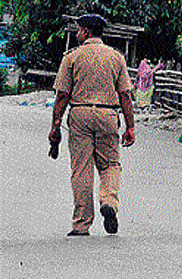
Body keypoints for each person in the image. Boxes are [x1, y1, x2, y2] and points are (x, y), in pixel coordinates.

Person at [49, 14, 135, 237]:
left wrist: (55, 126)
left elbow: (61, 97)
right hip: (108, 114)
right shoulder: (116, 58)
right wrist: (130, 126)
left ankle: (81, 224)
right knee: (110, 165)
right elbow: (125, 95)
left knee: (81, 170)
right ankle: (109, 201)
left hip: (80, 114)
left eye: (79, 30)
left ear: (86, 32)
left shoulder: (72, 57)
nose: (77, 33)